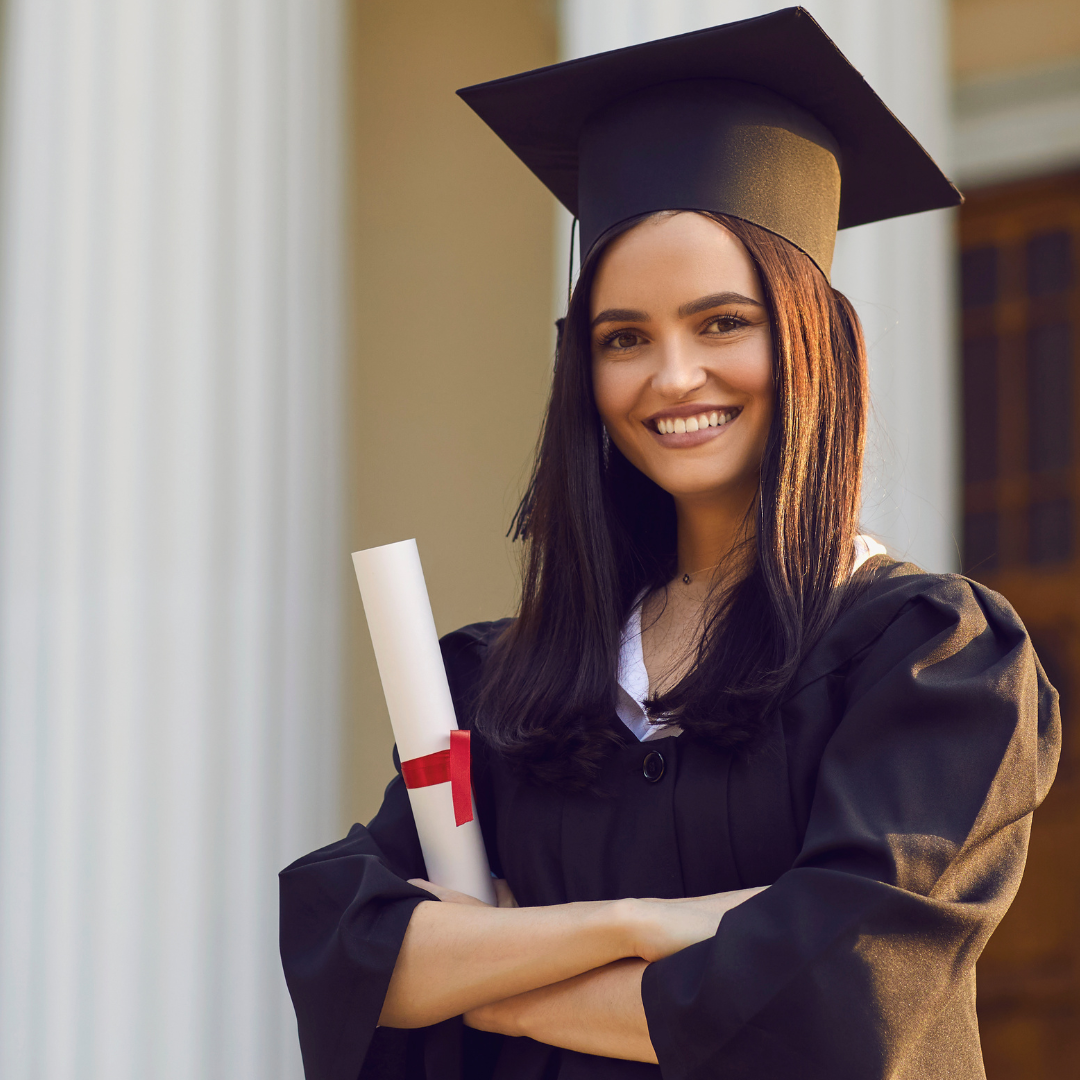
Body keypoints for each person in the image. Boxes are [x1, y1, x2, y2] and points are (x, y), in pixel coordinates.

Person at [279, 10, 1060, 1080]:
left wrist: (496, 984)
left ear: (810, 343)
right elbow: (348, 951)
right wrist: (647, 923)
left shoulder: (930, 659)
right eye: (624, 338)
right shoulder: (503, 684)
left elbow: (836, 999)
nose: (673, 377)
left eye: (723, 323)